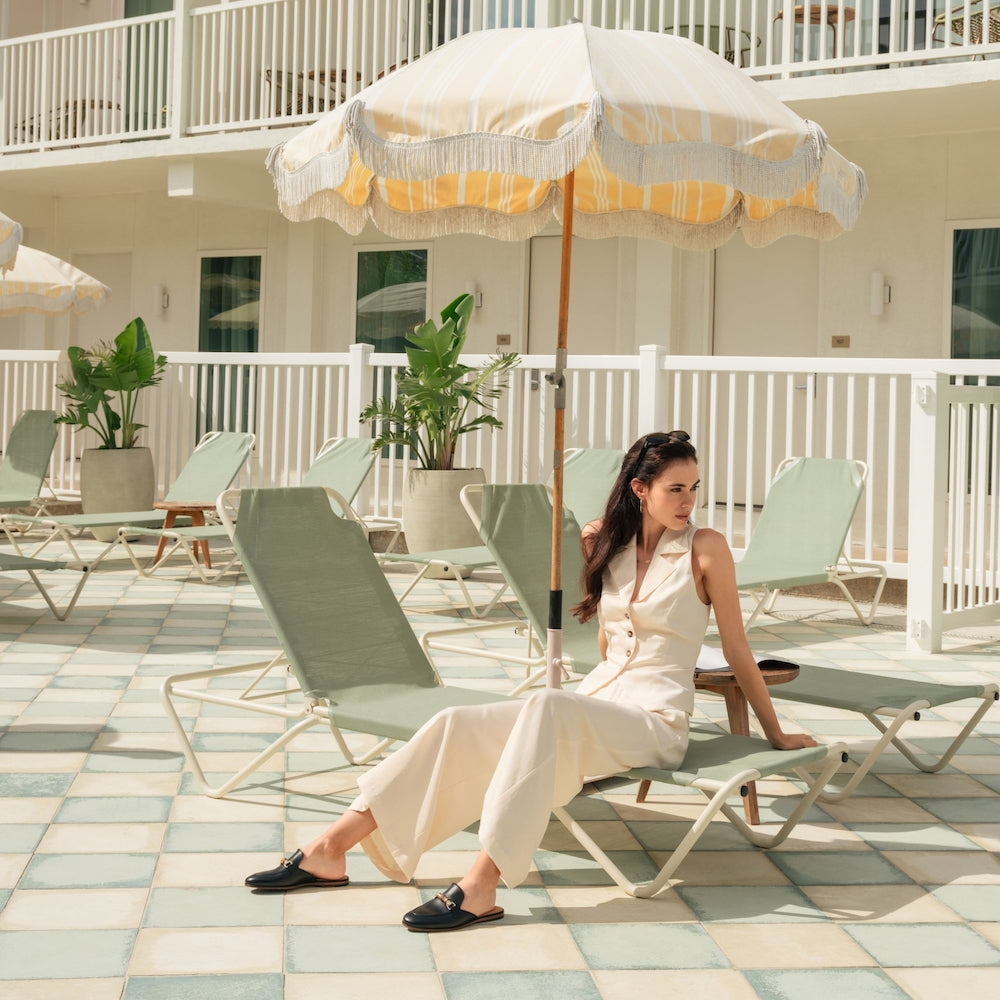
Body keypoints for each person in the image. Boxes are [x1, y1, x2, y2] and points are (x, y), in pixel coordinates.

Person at [244, 430, 817, 931]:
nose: (689, 501)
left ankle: (482, 883)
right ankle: (329, 848)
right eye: (676, 489)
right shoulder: (601, 541)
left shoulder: (706, 548)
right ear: (640, 489)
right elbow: (605, 640)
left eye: (694, 488)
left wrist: (776, 734)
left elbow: (739, 648)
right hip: (597, 705)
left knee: (547, 707)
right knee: (456, 722)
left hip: (656, 720)